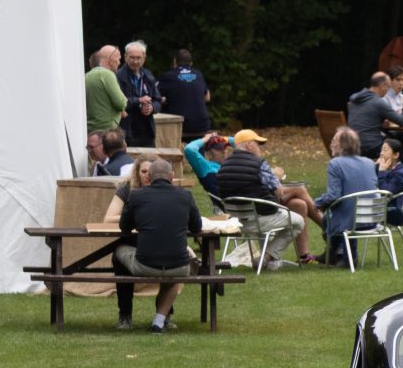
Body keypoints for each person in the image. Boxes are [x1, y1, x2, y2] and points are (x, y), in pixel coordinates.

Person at [114, 157, 202, 333]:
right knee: (172, 270)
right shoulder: (185, 196)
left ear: (150, 177)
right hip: (180, 266)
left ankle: (125, 315)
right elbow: (196, 227)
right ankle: (160, 320)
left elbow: (124, 227)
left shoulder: (136, 195)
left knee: (118, 250)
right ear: (171, 176)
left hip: (145, 265)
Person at [210, 129, 321, 265]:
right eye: (258, 144)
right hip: (261, 218)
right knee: (298, 221)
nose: (260, 148)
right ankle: (266, 257)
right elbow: (279, 193)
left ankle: (304, 256)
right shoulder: (259, 164)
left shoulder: (223, 167)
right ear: (249, 145)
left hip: (236, 222)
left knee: (299, 204)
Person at [314, 127, 381, 264]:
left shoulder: (335, 164)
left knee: (329, 217)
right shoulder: (369, 163)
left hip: (349, 221)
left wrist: (318, 203)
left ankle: (338, 253)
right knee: (344, 212)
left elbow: (333, 195)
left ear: (343, 145)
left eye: (334, 141)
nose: (331, 144)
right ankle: (340, 254)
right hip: (373, 219)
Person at [347, 72, 403, 159]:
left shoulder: (355, 100)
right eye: (388, 87)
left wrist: (380, 122)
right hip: (371, 147)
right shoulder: (378, 102)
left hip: (353, 144)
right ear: (382, 86)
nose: (388, 90)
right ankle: (400, 171)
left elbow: (364, 121)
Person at [158, 49, 213, 139]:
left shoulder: (168, 76)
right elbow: (207, 98)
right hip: (202, 125)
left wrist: (171, 100)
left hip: (181, 126)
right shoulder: (198, 74)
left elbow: (155, 97)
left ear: (175, 61)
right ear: (191, 63)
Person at [84, 45, 129, 153]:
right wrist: (124, 103)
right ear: (110, 59)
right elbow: (121, 103)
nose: (119, 62)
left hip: (91, 131)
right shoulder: (107, 74)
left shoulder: (87, 75)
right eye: (118, 59)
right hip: (108, 133)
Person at [116, 42, 160, 148]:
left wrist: (151, 107)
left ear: (144, 58)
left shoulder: (148, 75)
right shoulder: (117, 76)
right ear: (125, 57)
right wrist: (138, 101)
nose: (135, 61)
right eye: (132, 57)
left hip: (147, 131)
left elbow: (157, 100)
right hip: (127, 131)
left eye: (138, 58)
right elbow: (118, 102)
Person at [376, 141, 403, 228]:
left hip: (391, 212)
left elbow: (385, 193)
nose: (381, 153)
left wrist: (381, 171)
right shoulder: (386, 169)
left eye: (385, 150)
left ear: (395, 155)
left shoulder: (400, 174)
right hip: (377, 208)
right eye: (381, 150)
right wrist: (375, 167)